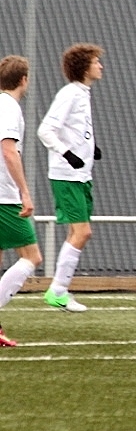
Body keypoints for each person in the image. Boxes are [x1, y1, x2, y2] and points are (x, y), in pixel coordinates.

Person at [37, 43, 104, 313]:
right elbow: (45, 130)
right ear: (84, 67)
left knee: (77, 232)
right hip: (67, 175)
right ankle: (57, 290)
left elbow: (75, 129)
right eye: (96, 62)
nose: (101, 66)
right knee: (83, 232)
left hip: (81, 175)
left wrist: (90, 147)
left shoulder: (82, 93)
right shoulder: (70, 93)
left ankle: (60, 289)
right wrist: (67, 154)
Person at [0, 56, 42, 346]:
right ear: (23, 80)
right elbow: (8, 150)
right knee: (32, 256)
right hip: (4, 197)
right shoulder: (9, 107)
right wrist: (24, 192)